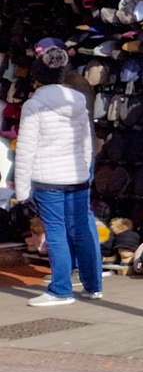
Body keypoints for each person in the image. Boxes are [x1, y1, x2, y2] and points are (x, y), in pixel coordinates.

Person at [12, 40, 102, 307]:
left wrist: (22, 191)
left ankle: (61, 290)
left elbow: (26, 150)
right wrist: (86, 173)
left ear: (37, 77)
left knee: (56, 232)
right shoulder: (77, 101)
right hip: (77, 177)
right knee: (82, 229)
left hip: (48, 178)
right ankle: (93, 285)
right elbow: (86, 143)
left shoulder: (34, 105)